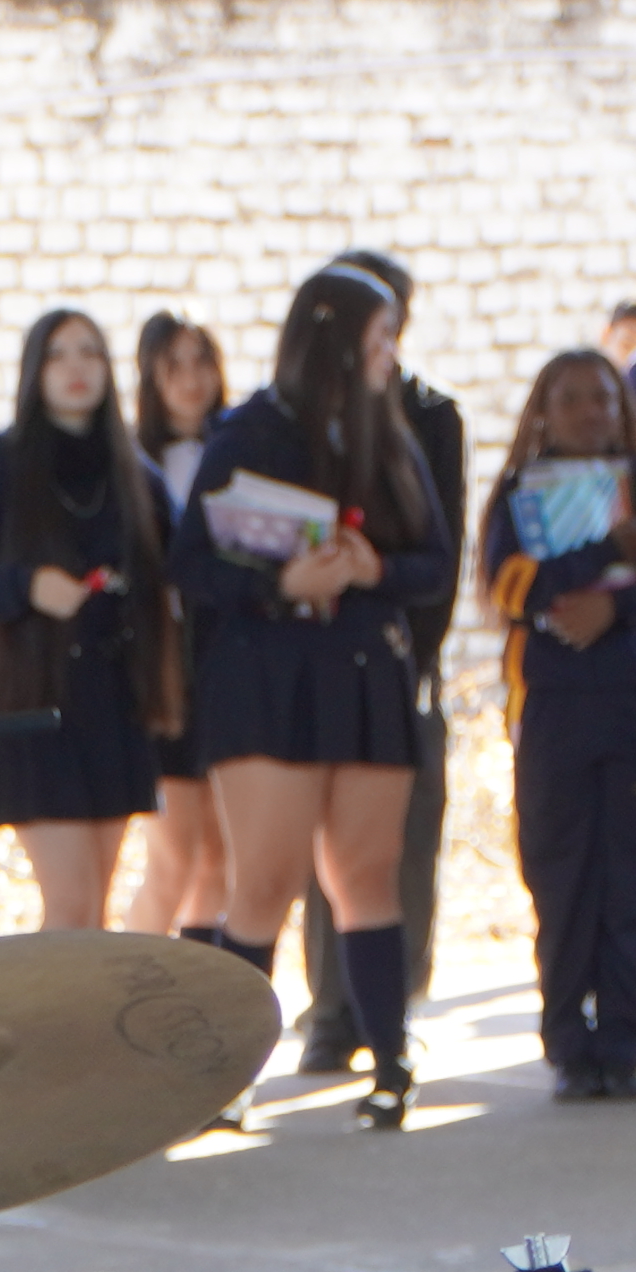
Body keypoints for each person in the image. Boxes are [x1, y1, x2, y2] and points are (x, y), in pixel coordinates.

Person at [174, 260, 449, 1125]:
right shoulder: (250, 430)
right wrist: (279, 581)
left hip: (368, 675)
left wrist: (376, 569)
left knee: (368, 875)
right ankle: (228, 1077)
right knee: (264, 881)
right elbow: (193, 563)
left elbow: (436, 561)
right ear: (333, 339)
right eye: (379, 338)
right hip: (266, 680)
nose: (391, 355)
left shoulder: (393, 433)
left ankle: (391, 1065)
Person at [284, 249, 471, 1090]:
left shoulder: (429, 415)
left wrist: (415, 654)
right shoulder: (287, 419)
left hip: (400, 656)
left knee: (399, 849)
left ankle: (395, 1008)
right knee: (325, 849)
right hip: (314, 659)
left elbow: (442, 547)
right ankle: (331, 1011)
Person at [0, 307, 175, 932]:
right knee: (71, 901)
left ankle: (83, 1031)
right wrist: (26, 585)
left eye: (90, 352)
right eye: (60, 354)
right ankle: (58, 1029)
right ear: (36, 368)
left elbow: (178, 571)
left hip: (115, 701)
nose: (76, 368)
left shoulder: (136, 472)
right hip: (32, 703)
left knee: (94, 908)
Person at [486, 346, 636, 1099]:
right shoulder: (515, 493)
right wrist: (603, 555)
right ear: (543, 411)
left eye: (603, 398)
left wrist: (616, 605)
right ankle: (570, 1043)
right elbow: (511, 585)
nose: (589, 413)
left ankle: (624, 1043)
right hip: (554, 706)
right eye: (570, 400)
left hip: (635, 702)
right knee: (561, 876)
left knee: (633, 876)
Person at [127, 309, 237, 945]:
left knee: (220, 858)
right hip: (164, 676)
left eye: (203, 362)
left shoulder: (241, 448)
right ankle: (123, 990)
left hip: (227, 665)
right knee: (174, 858)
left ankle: (200, 1001)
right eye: (175, 366)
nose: (193, 380)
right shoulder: (132, 461)